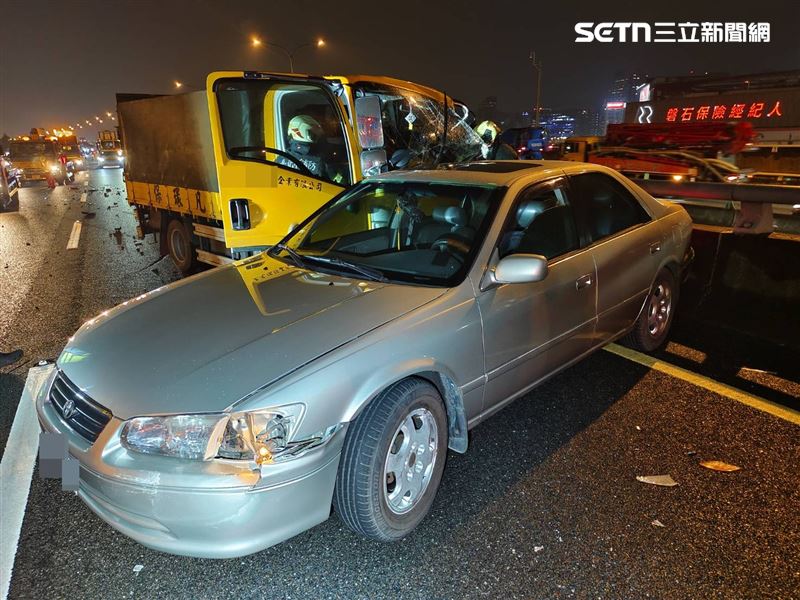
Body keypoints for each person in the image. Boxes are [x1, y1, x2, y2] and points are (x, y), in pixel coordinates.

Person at [285, 115, 345, 184]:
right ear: (299, 133)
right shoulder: (319, 162)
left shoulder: (280, 158)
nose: (318, 135)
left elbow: (271, 186)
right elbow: (339, 183)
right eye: (313, 133)